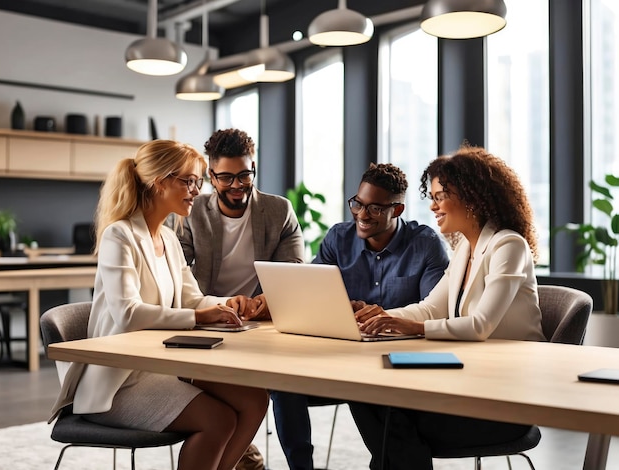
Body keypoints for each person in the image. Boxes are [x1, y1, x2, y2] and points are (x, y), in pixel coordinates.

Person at [49, 140, 269, 470]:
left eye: (198, 182)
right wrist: (198, 317)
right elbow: (127, 313)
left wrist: (228, 303)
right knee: (217, 421)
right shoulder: (119, 236)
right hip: (119, 382)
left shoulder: (167, 237)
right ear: (160, 182)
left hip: (160, 368)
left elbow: (192, 298)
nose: (196, 190)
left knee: (254, 400)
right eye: (188, 181)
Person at [350, 145, 546, 470]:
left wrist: (410, 327)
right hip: (469, 381)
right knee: (366, 396)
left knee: (390, 421)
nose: (433, 205)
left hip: (506, 398)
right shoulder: (465, 251)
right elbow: (429, 309)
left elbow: (480, 324)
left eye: (440, 196)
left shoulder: (508, 246)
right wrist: (382, 317)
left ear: (471, 197)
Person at [270, 163, 450, 470]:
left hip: (397, 360)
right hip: (340, 355)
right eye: (358, 204)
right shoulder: (338, 239)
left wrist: (386, 317)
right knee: (283, 380)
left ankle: (386, 463)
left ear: (398, 209)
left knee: (371, 390)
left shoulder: (425, 245)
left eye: (375, 209)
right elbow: (309, 295)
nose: (362, 216)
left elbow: (435, 311)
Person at [175, 128, 304, 321]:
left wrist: (268, 300)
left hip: (261, 319)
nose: (236, 185)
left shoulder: (280, 211)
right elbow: (176, 272)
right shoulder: (192, 212)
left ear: (253, 167)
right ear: (211, 176)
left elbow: (293, 273)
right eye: (226, 178)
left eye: (244, 175)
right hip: (209, 316)